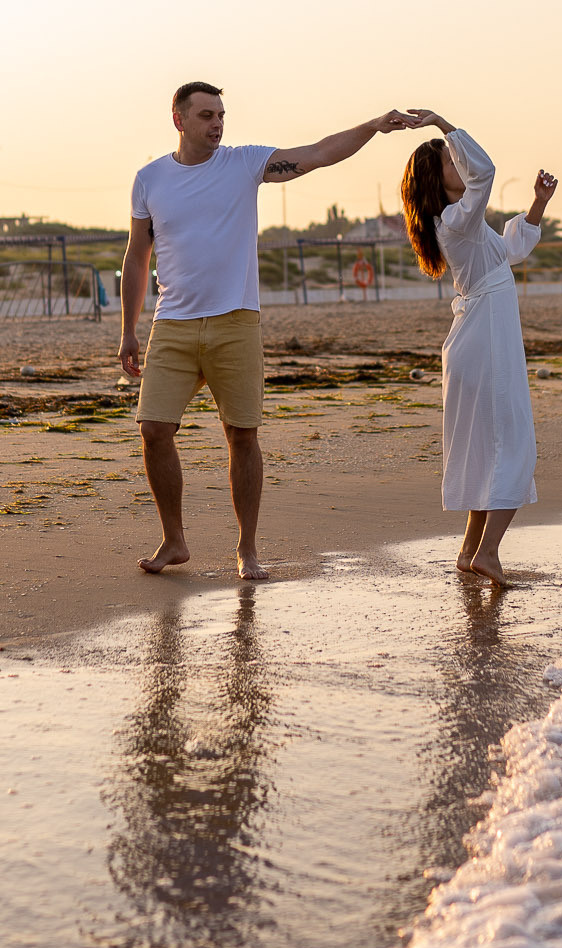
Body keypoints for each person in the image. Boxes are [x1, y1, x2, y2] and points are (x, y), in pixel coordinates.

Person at [119, 83, 416, 580]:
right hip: (171, 323)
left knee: (242, 435)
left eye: (221, 115)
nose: (217, 124)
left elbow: (318, 154)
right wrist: (128, 329)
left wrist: (371, 125)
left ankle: (247, 549)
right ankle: (174, 540)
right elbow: (136, 255)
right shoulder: (150, 179)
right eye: (207, 115)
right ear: (179, 119)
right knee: (153, 430)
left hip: (236, 319)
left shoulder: (244, 164)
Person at [400, 113, 557, 582]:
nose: (458, 161)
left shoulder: (461, 221)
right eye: (450, 158)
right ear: (435, 174)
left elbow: (511, 251)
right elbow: (484, 171)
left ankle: (472, 551)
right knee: (512, 445)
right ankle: (486, 553)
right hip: (485, 335)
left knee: (489, 447)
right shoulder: (454, 219)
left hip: (482, 334)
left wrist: (537, 204)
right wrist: (442, 123)